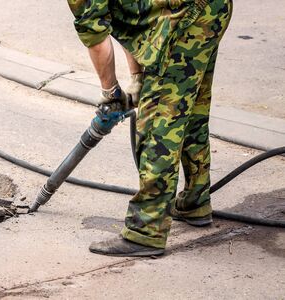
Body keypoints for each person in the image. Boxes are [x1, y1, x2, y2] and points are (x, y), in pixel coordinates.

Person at [67, 0, 233, 256]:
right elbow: (136, 27)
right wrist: (138, 78)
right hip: (212, 9)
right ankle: (195, 200)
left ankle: (146, 231)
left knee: (157, 124)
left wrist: (111, 94)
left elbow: (95, 33)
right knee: (190, 111)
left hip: (182, 19)